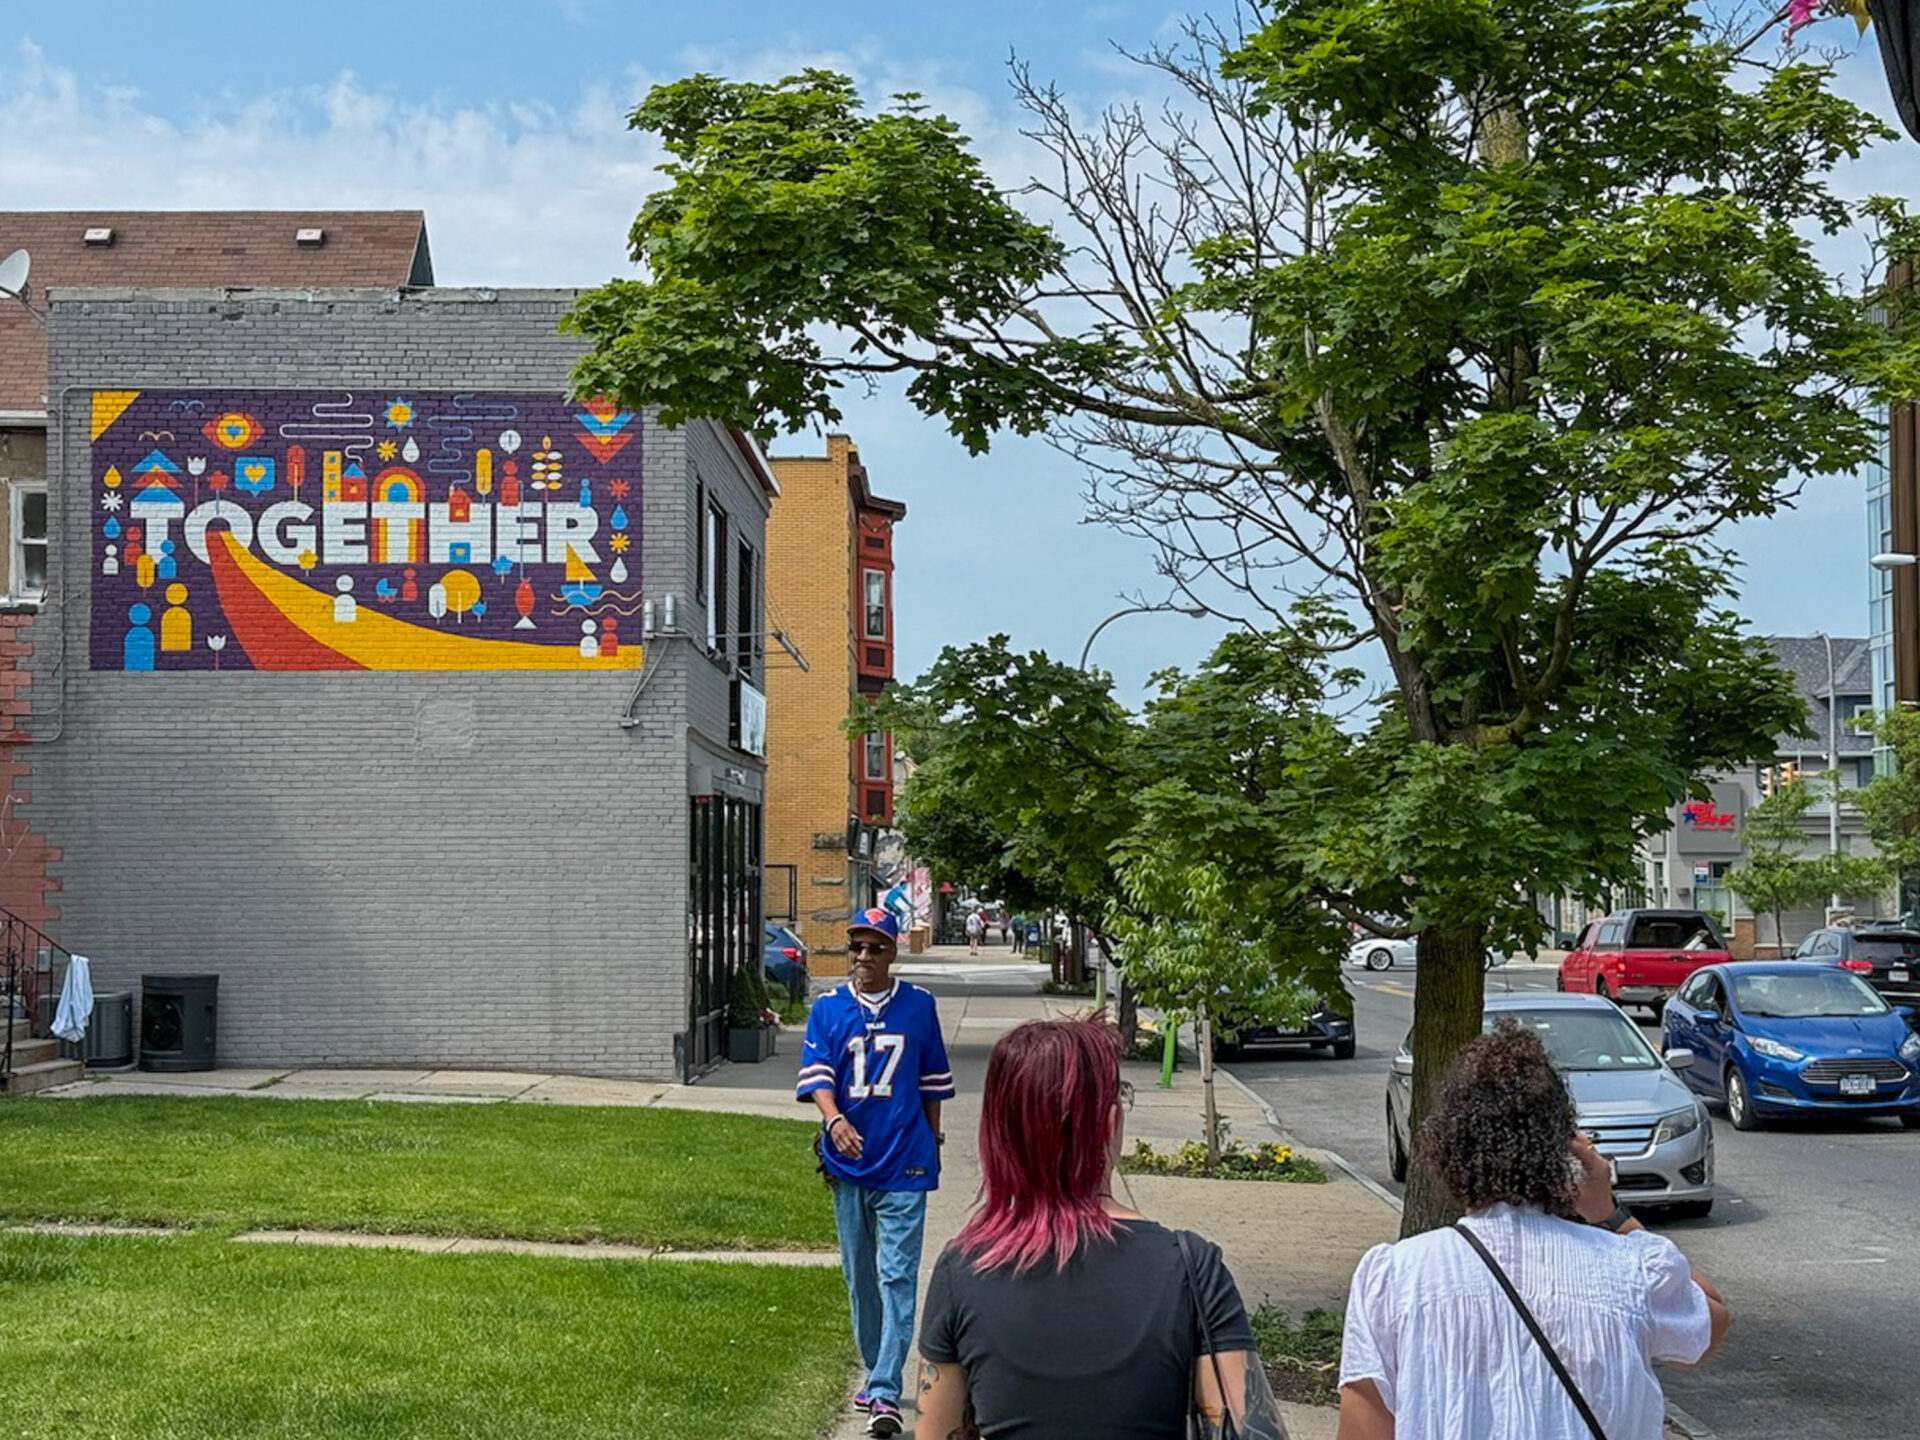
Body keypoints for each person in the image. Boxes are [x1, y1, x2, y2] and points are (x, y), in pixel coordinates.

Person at [1337, 1022, 1729, 1440]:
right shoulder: (1632, 1270)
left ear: (1448, 1148)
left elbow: (1364, 1431)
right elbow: (1710, 1327)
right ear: (1563, 1146)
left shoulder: (1394, 1279)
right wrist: (1611, 1216)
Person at [916, 1018, 1285, 1439]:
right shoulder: (1189, 1268)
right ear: (1109, 1125)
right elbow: (1254, 1430)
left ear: (999, 1134)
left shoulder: (961, 1271)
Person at [798, 908, 955, 1438]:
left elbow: (932, 1083)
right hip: (850, 1162)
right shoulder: (829, 1009)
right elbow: (818, 1074)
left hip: (905, 1159)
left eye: (875, 948)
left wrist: (932, 1142)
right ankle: (876, 1368)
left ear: (893, 952)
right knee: (860, 1276)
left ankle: (884, 1391)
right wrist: (833, 1118)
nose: (863, 958)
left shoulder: (919, 1007)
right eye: (856, 948)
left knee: (897, 1275)